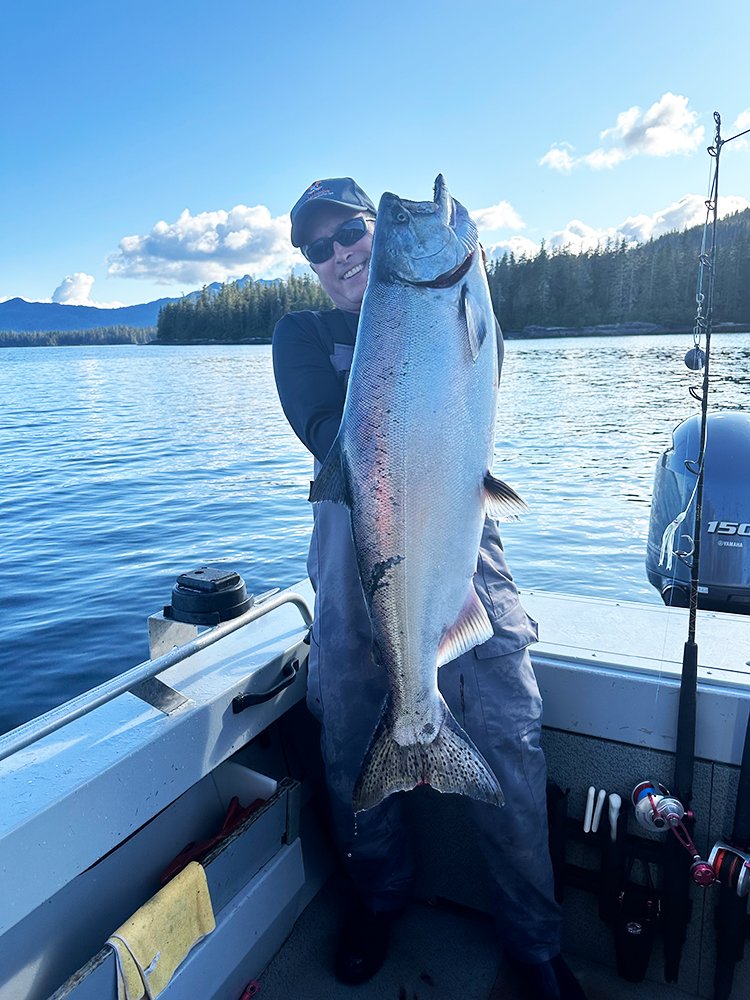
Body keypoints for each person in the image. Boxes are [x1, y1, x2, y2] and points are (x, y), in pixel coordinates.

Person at [272, 178, 587, 1000]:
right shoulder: (298, 335)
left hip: (458, 533)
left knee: (510, 728)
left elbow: (481, 376)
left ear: (377, 234)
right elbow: (323, 435)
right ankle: (378, 902)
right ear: (310, 264)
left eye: (351, 231)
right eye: (319, 245)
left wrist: (449, 285)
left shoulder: (455, 308)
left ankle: (533, 942)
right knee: (346, 733)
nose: (340, 251)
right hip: (362, 553)